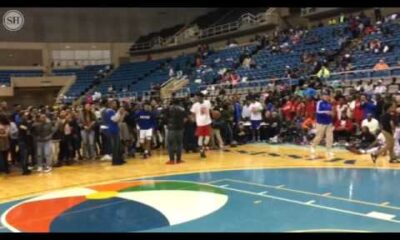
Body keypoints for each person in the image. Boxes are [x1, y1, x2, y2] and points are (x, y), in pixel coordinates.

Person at [310, 91, 334, 159]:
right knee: (319, 136)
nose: (326, 97)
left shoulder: (329, 104)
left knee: (330, 137)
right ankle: (313, 146)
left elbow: (331, 112)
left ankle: (328, 150)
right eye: (324, 96)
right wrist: (326, 112)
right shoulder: (319, 103)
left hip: (329, 122)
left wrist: (331, 113)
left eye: (327, 96)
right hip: (320, 122)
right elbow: (317, 111)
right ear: (322, 97)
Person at [104, 100, 126, 166]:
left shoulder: (112, 111)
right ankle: (115, 161)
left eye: (116, 103)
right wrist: (119, 112)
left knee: (118, 146)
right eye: (114, 103)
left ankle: (119, 159)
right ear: (110, 104)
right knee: (115, 146)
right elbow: (114, 119)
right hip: (112, 129)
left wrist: (122, 114)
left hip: (115, 129)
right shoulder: (109, 111)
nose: (115, 104)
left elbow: (119, 120)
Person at [164, 98, 186, 164]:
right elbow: (185, 118)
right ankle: (179, 160)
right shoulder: (182, 109)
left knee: (170, 144)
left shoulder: (168, 109)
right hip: (180, 129)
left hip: (171, 129)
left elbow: (164, 118)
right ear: (179, 103)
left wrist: (167, 123)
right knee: (179, 144)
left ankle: (172, 160)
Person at [190, 92, 212, 159]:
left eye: (197, 97)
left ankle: (203, 148)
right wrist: (193, 119)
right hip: (200, 123)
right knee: (200, 137)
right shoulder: (195, 105)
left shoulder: (207, 102)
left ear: (201, 97)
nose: (196, 98)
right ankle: (201, 151)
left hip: (207, 122)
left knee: (207, 138)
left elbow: (210, 110)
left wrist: (213, 115)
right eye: (195, 97)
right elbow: (192, 113)